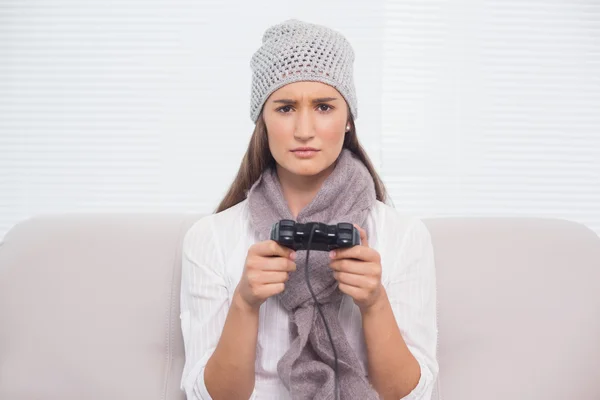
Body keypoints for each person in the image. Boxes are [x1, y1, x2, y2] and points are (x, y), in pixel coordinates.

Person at [179, 18, 438, 400]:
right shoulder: (211, 238)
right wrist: (245, 302)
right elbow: (209, 397)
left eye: (323, 106)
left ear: (348, 119)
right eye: (285, 108)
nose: (304, 129)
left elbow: (412, 395)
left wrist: (374, 303)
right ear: (263, 123)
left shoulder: (403, 236)